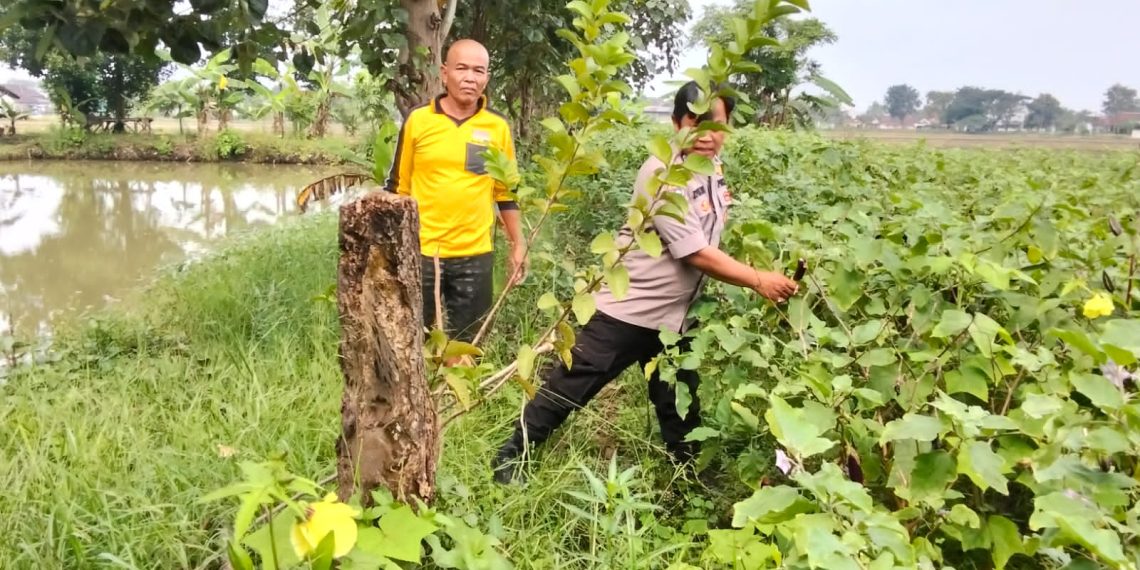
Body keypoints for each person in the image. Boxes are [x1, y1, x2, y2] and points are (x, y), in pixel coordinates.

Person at [491, 81, 799, 484]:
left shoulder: (712, 171)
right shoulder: (661, 173)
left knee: (679, 403)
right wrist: (759, 280)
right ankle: (511, 457)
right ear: (676, 122)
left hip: (677, 318)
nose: (706, 135)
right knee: (572, 383)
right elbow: (696, 253)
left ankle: (687, 480)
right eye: (695, 121)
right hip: (632, 308)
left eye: (716, 124)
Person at [386, 39, 526, 344]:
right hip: (422, 254)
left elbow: (506, 193)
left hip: (474, 257)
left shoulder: (497, 127)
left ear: (487, 78)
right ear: (444, 72)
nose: (470, 77)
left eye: (479, 71)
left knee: (467, 346)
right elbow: (398, 189)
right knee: (412, 343)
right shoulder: (419, 120)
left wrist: (518, 245)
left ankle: (456, 392)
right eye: (461, 68)